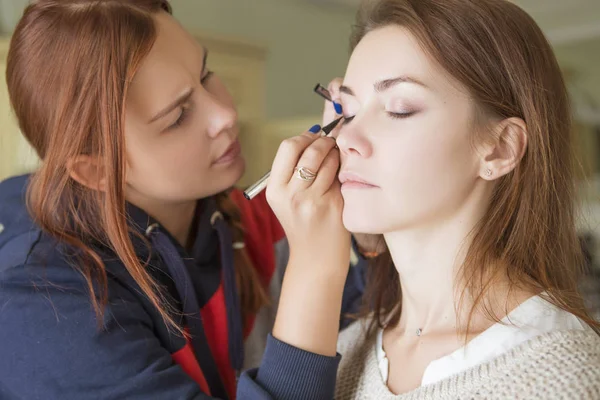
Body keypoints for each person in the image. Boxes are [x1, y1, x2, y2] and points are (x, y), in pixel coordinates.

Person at [0, 1, 369, 399]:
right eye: (177, 117)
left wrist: (369, 238)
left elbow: (351, 328)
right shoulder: (45, 306)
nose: (226, 114)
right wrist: (314, 269)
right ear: (97, 171)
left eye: (206, 75)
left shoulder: (252, 216)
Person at [237, 0, 600, 398]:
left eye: (400, 109)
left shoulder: (565, 380)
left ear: (499, 148)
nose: (345, 139)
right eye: (347, 110)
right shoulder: (339, 349)